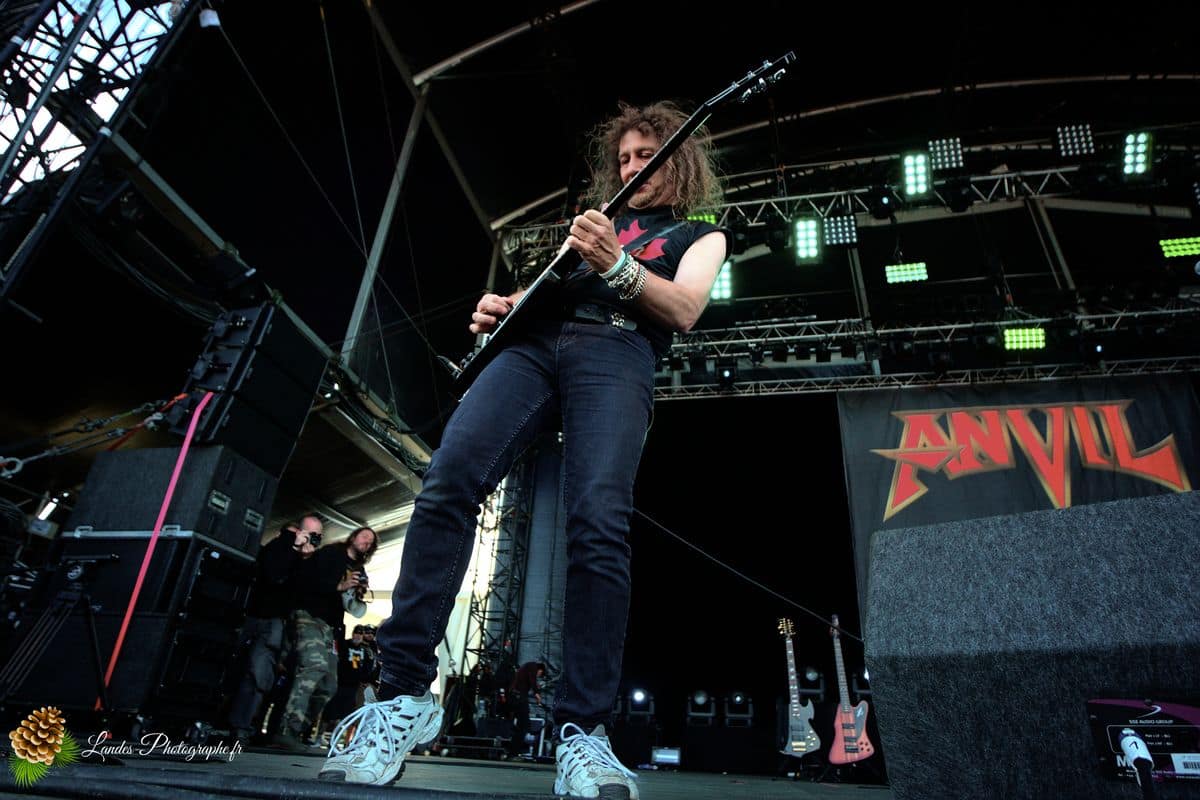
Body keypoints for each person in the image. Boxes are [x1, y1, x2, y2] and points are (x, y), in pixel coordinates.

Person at [319, 101, 728, 800]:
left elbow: (685, 308)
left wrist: (618, 265)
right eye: (624, 158)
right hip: (535, 348)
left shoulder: (701, 233)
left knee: (598, 520)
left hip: (619, 350)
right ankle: (402, 695)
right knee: (447, 479)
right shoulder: (594, 225)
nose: (632, 169)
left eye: (646, 158)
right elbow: (542, 292)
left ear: (677, 163)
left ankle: (582, 734)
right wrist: (501, 306)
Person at [273, 526, 377, 751]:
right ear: (353, 537)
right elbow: (305, 580)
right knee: (314, 666)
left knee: (329, 685)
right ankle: (286, 729)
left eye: (370, 542)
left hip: (330, 628)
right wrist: (338, 585)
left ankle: (299, 731)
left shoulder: (359, 569)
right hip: (308, 615)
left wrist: (356, 592)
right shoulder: (330, 554)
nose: (366, 542)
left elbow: (356, 610)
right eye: (363, 537)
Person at [226, 514, 322, 743]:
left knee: (260, 675)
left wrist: (305, 558)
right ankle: (224, 722)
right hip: (254, 617)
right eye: (312, 534)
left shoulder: (305, 559)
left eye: (318, 536)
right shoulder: (279, 547)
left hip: (276, 623)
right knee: (238, 670)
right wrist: (295, 549)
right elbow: (274, 575)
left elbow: (302, 593)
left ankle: (241, 727)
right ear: (297, 530)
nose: (315, 539)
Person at [506, 661, 545, 758]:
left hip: (516, 696)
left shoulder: (526, 668)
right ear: (540, 669)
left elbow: (529, 681)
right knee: (524, 725)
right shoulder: (533, 666)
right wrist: (537, 694)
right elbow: (532, 680)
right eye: (540, 673)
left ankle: (513, 751)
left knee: (521, 726)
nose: (538, 676)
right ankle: (514, 751)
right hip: (519, 697)